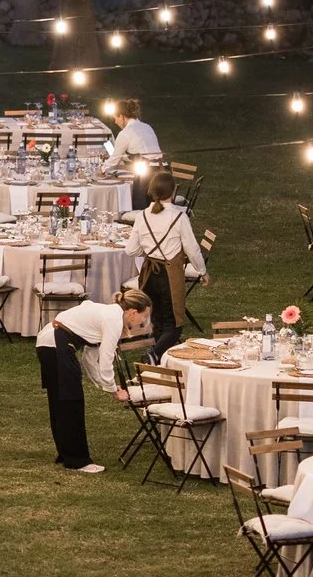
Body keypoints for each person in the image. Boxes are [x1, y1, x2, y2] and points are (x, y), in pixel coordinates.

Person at [36, 289, 154, 471]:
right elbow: (106, 361)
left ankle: (66, 455)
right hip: (55, 343)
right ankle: (78, 461)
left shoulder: (108, 314)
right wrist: (113, 390)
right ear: (132, 312)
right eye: (144, 315)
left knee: (62, 401)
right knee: (71, 401)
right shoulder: (114, 320)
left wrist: (107, 386)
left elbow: (89, 360)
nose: (144, 320)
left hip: (48, 343)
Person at [126, 168, 206, 358]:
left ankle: (158, 362)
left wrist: (148, 251)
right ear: (173, 191)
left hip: (148, 275)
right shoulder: (179, 217)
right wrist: (202, 271)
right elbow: (192, 249)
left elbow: (131, 250)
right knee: (174, 325)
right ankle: (153, 355)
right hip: (169, 275)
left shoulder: (142, 216)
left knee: (156, 320)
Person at [105, 99, 162, 207]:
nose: (115, 122)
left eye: (116, 118)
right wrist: (124, 158)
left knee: (141, 208)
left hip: (147, 176)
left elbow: (114, 159)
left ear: (122, 116)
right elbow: (142, 151)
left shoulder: (125, 133)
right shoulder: (147, 126)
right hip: (162, 171)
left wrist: (101, 170)